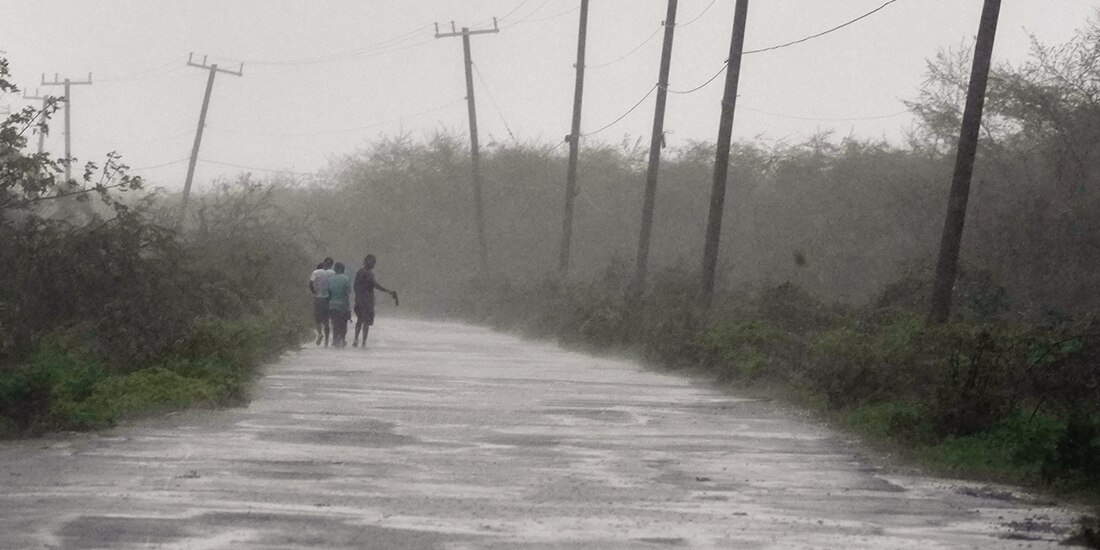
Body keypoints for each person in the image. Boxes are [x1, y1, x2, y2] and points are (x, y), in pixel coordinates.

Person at [353, 254, 397, 348]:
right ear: (371, 263)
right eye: (373, 263)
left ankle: (356, 339)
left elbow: (355, 286)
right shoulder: (369, 274)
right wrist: (388, 291)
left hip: (359, 301)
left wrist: (358, 297)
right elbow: (375, 285)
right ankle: (363, 342)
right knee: (366, 322)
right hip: (367, 301)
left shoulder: (359, 272)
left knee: (360, 320)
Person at [308, 257, 335, 346]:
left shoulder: (316, 272)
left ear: (323, 263)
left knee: (317, 319)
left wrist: (314, 292)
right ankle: (326, 341)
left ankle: (320, 334)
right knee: (326, 320)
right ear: (331, 265)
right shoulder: (332, 273)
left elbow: (310, 284)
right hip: (327, 299)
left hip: (318, 298)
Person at [327, 262, 353, 348]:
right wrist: (347, 308)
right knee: (343, 324)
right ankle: (342, 339)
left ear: (335, 269)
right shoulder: (346, 279)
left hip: (332, 305)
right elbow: (347, 294)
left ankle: (335, 340)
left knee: (335, 323)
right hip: (343, 305)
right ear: (343, 269)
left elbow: (328, 293)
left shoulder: (330, 279)